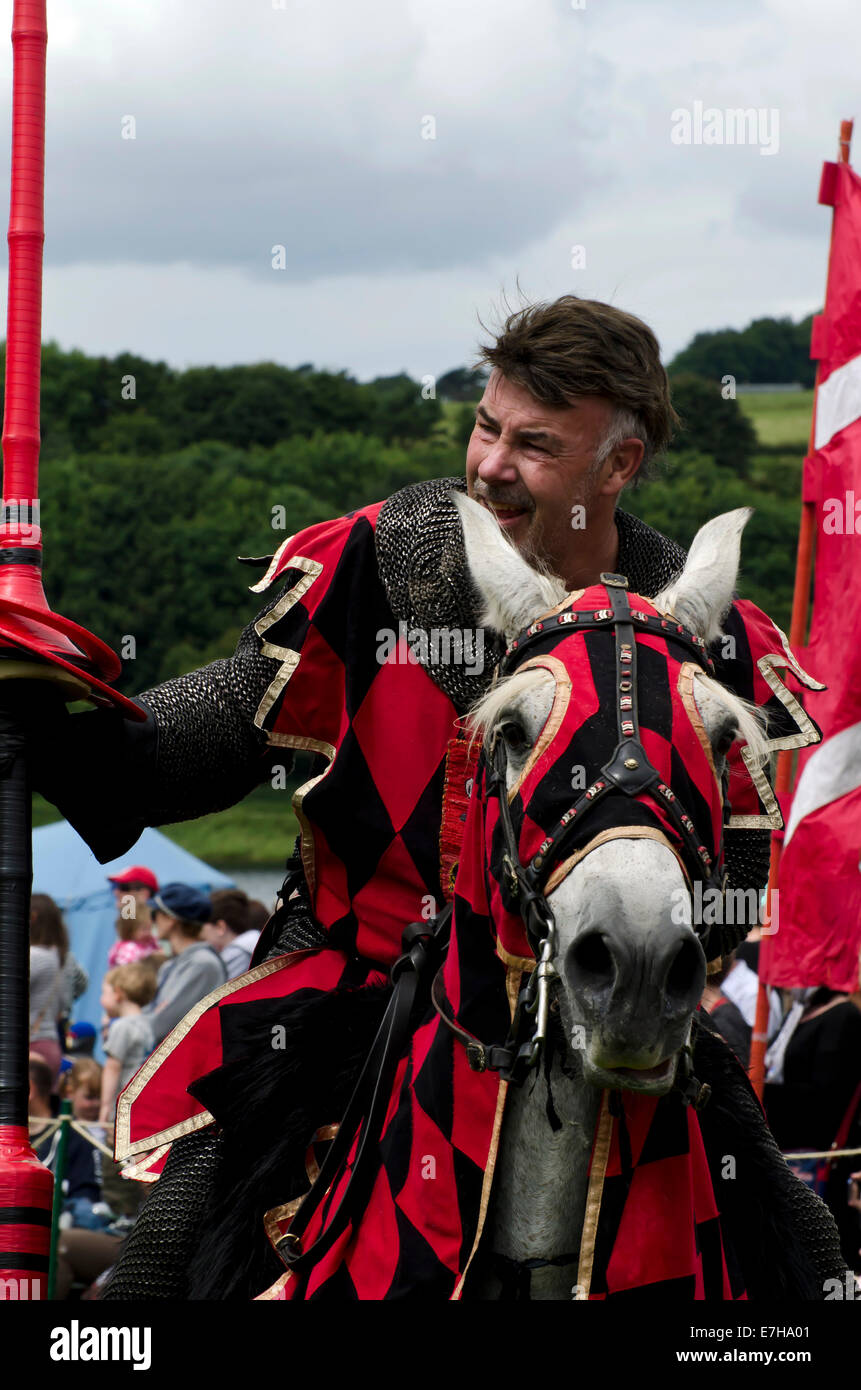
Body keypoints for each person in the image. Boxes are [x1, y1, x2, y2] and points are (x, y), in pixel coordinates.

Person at [28, 295, 839, 1298]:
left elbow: (729, 894)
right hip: (346, 1000)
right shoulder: (379, 565)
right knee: (159, 1267)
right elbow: (183, 750)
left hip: (604, 1006)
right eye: (486, 425)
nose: (491, 463)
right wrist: (54, 712)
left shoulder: (696, 642)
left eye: (534, 444)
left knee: (802, 1246)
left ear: (617, 466)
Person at [143, 883, 227, 1047]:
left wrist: (123, 1026)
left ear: (170, 920)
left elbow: (161, 1025)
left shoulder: (202, 964)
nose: (152, 921)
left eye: (155, 915)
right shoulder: (173, 964)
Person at [28, 894, 68, 1084]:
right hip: (50, 1044)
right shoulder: (61, 957)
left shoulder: (34, 956)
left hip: (31, 1045)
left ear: (33, 917)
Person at [107, 865, 160, 968]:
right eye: (115, 886)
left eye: (124, 888)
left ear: (144, 894)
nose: (116, 892)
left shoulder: (159, 929)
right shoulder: (127, 922)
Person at [201, 889, 261, 979]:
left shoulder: (237, 955)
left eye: (202, 926)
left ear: (220, 927)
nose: (201, 934)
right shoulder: (255, 945)